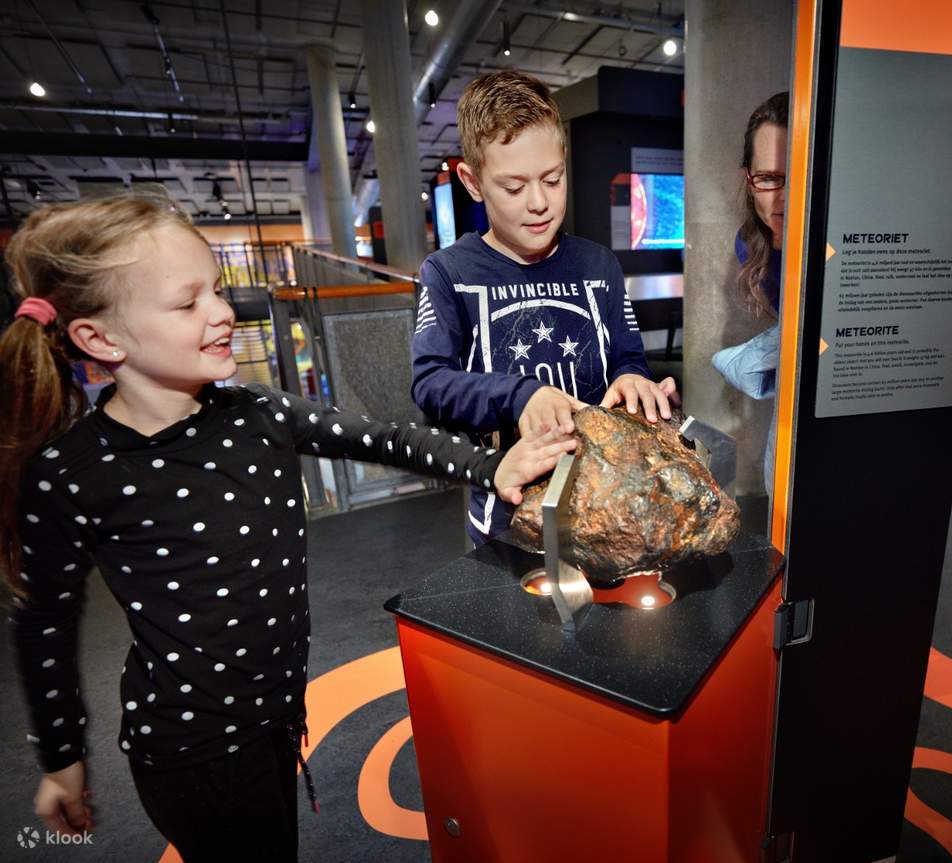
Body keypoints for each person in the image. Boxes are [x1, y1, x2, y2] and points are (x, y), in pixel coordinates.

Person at [1, 193, 576, 862]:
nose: (222, 312)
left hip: (277, 714)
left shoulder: (257, 412)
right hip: (193, 753)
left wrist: (491, 465)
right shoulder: (71, 472)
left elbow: (387, 437)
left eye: (217, 290)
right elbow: (44, 622)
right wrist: (61, 757)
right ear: (100, 340)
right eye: (187, 303)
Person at [411, 70, 676, 545]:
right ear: (473, 182)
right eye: (514, 188)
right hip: (504, 522)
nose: (539, 203)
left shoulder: (599, 265)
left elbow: (627, 358)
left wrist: (633, 381)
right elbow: (430, 384)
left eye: (553, 179)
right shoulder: (448, 273)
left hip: (606, 511)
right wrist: (520, 396)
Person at [711, 91, 789, 495]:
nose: (784, 197)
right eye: (769, 178)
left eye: (799, 178)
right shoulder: (750, 244)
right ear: (748, 178)